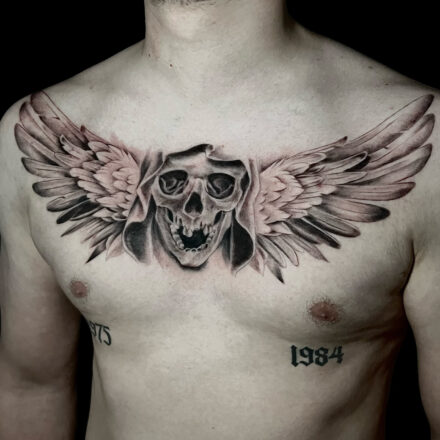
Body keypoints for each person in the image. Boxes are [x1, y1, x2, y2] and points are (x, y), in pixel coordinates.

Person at [0, 1, 439, 439]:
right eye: (172, 185)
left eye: (220, 189)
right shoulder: (31, 132)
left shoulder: (431, 148)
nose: (193, 208)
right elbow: (31, 387)